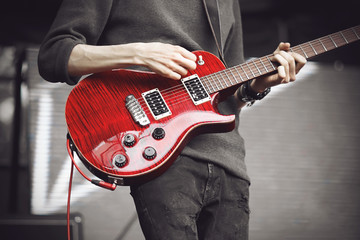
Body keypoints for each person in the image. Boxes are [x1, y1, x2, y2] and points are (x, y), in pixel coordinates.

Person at [38, 0, 306, 239]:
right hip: (163, 154)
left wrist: (254, 88)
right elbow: (54, 54)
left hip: (229, 162)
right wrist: (138, 53)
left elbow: (231, 95)